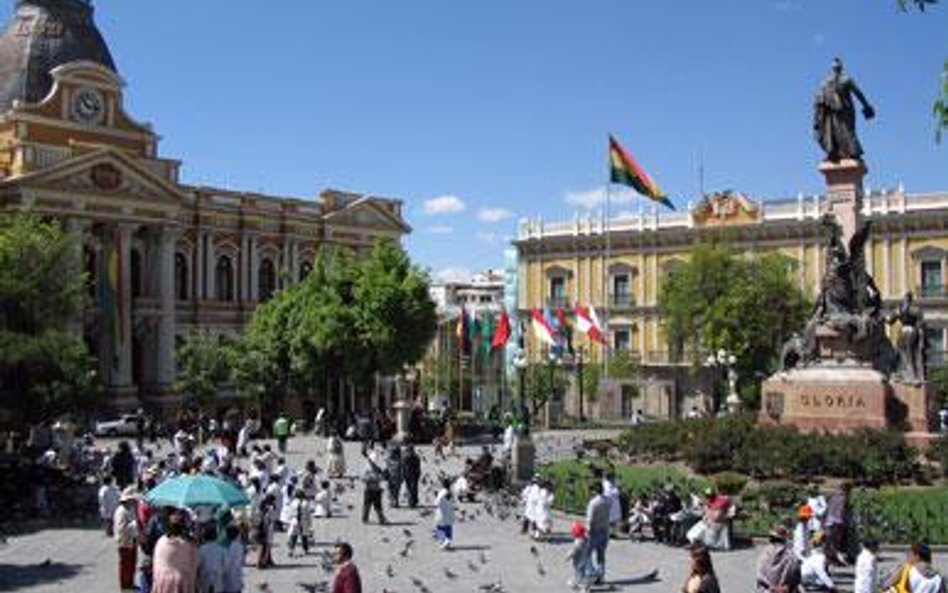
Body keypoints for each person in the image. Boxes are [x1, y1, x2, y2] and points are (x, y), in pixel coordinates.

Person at [813, 57, 875, 162]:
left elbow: (818, 102)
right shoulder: (843, 80)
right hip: (841, 111)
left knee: (839, 131)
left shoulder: (827, 82)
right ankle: (850, 152)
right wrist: (866, 106)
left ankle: (836, 152)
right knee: (844, 131)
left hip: (838, 111)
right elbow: (859, 94)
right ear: (841, 68)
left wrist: (817, 117)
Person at [151, 512, 198, 593]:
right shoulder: (188, 544)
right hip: (181, 583)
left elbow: (156, 563)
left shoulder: (161, 541)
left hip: (162, 581)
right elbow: (194, 564)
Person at [880, 543, 946, 593]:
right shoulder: (939, 579)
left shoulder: (906, 569)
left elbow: (885, 586)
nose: (907, 558)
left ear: (917, 556)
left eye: (909, 555)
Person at [756, 524, 801, 593]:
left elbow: (760, 577)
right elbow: (796, 577)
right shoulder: (790, 556)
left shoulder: (764, 554)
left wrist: (771, 587)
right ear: (784, 539)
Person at [113, 486, 139, 591]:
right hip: (125, 543)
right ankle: (125, 586)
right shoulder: (121, 511)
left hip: (131, 541)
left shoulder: (129, 509)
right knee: (125, 565)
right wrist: (133, 525)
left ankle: (130, 583)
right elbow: (121, 529)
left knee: (132, 564)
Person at [585, 482, 611, 584]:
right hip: (604, 530)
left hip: (594, 530)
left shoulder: (593, 503)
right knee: (601, 555)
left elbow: (590, 520)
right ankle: (601, 576)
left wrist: (588, 532)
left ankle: (592, 574)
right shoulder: (607, 501)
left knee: (587, 554)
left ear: (595, 491)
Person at [824, 483, 852, 565]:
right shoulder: (844, 498)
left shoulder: (833, 497)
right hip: (838, 522)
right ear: (847, 490)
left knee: (830, 542)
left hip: (829, 522)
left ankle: (831, 559)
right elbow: (842, 511)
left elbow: (828, 509)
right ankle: (835, 560)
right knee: (837, 543)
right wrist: (845, 522)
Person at [360, 451, 387, 524]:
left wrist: (379, 477)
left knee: (378, 506)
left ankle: (381, 519)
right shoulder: (366, 468)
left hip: (377, 490)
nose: (373, 463)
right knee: (367, 506)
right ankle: (364, 518)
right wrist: (370, 478)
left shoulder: (378, 468)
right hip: (369, 489)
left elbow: (382, 477)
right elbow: (362, 478)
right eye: (372, 461)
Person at [197, 524, 225, 593]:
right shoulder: (221, 549)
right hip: (217, 579)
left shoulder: (201, 549)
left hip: (205, 579)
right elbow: (225, 566)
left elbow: (198, 565)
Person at [566, 520, 593, 591]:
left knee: (580, 574)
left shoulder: (579, 542)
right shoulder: (585, 539)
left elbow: (574, 550)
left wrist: (568, 556)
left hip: (578, 562)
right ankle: (576, 582)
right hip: (583, 559)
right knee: (578, 573)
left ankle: (585, 587)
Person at [286, 489, 314, 557]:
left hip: (294, 520)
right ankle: (305, 549)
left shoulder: (293, 503)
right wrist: (310, 524)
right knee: (304, 536)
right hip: (303, 520)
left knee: (293, 536)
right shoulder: (306, 503)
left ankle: (291, 550)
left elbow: (289, 513)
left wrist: (289, 521)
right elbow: (308, 514)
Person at [220, 524, 244, 593]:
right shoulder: (240, 547)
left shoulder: (225, 548)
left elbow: (225, 566)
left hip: (226, 584)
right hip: (236, 581)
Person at [434, 477, 455, 550]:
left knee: (440, 528)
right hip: (449, 513)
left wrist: (436, 497)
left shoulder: (442, 492)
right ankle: (447, 541)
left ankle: (443, 542)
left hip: (441, 513)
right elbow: (453, 502)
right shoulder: (451, 492)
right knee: (448, 528)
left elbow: (437, 502)